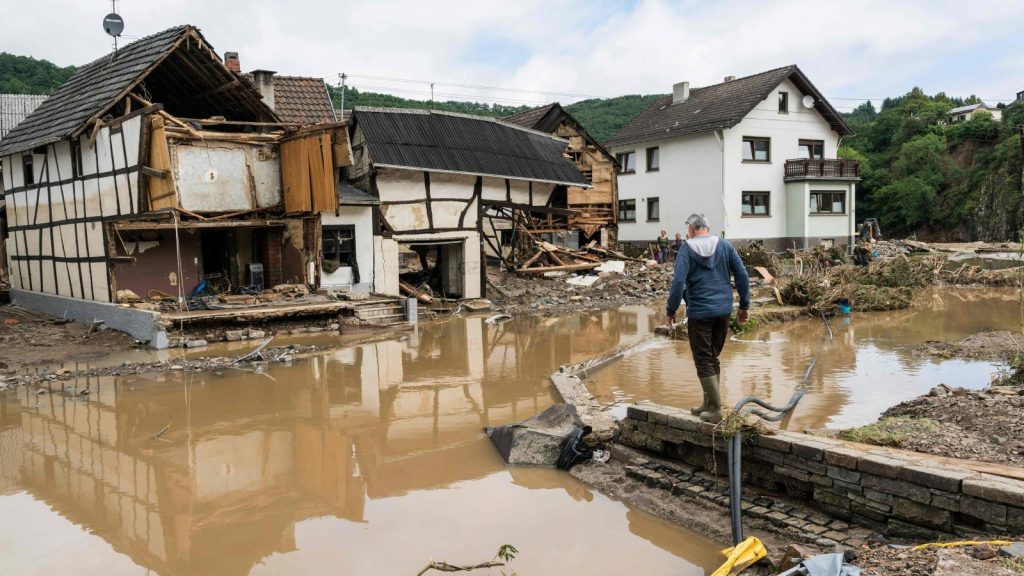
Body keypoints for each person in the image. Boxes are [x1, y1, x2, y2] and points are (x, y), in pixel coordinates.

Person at [666, 213, 750, 423]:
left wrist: (671, 310)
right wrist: (745, 305)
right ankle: (709, 403)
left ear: (692, 229)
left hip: (700, 312)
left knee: (703, 359)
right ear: (707, 227)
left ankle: (714, 409)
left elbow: (678, 283)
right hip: (723, 310)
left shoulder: (687, 248)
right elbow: (742, 275)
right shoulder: (725, 246)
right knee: (712, 357)